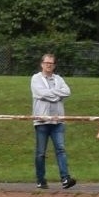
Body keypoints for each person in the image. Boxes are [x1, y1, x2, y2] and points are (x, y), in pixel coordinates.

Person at [30, 53, 76, 189]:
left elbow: (67, 92)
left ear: (54, 65)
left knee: (61, 149)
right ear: (42, 64)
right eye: (46, 63)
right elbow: (40, 93)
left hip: (57, 121)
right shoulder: (36, 78)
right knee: (40, 152)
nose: (48, 65)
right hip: (42, 121)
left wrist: (51, 94)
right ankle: (41, 180)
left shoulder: (59, 79)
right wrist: (57, 96)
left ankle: (65, 178)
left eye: (51, 63)